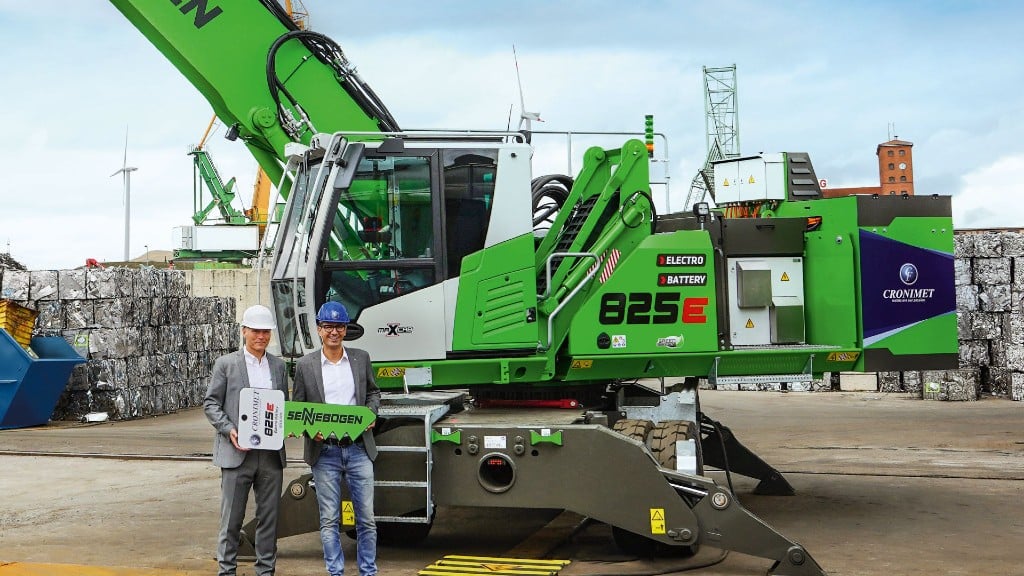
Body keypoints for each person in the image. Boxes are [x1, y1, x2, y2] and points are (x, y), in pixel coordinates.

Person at [292, 301, 381, 576]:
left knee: (366, 518)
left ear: (346, 330)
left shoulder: (360, 358)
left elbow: (373, 393)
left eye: (339, 326)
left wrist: (370, 413)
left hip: (358, 449)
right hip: (325, 452)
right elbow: (298, 409)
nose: (334, 331)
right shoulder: (305, 365)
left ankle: (368, 571)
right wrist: (310, 430)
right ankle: (336, 572)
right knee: (329, 520)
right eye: (328, 326)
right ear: (319, 330)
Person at [203, 304, 289, 576]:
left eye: (266, 332)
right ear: (244, 332)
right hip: (237, 452)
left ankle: (266, 571)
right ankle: (226, 571)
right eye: (255, 331)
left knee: (269, 519)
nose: (261, 336)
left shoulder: (278, 366)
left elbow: (283, 405)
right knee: (231, 519)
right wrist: (229, 430)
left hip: (270, 455)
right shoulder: (226, 365)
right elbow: (211, 404)